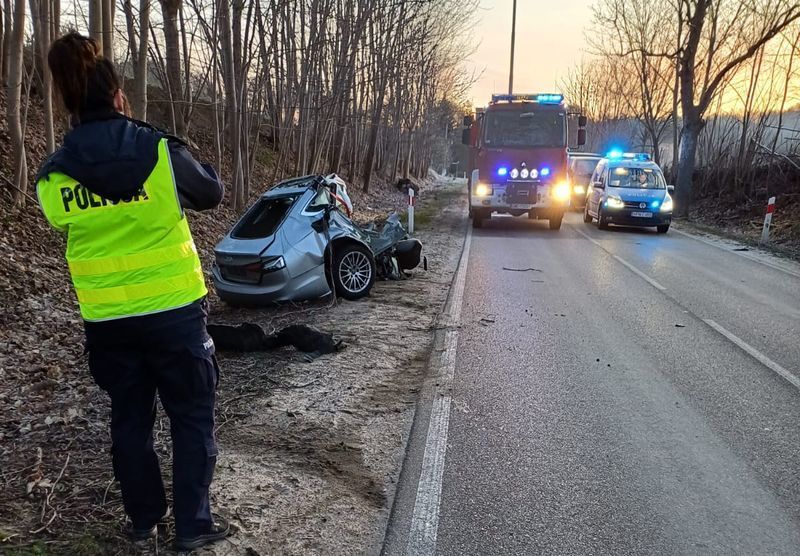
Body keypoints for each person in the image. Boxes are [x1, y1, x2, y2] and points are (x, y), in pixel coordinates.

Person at [35, 32, 229, 551]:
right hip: (174, 316)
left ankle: (143, 519)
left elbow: (61, 220)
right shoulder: (159, 150)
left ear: (71, 100)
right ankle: (192, 526)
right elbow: (211, 192)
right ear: (119, 96)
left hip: (109, 322)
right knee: (190, 418)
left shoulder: (53, 176)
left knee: (129, 419)